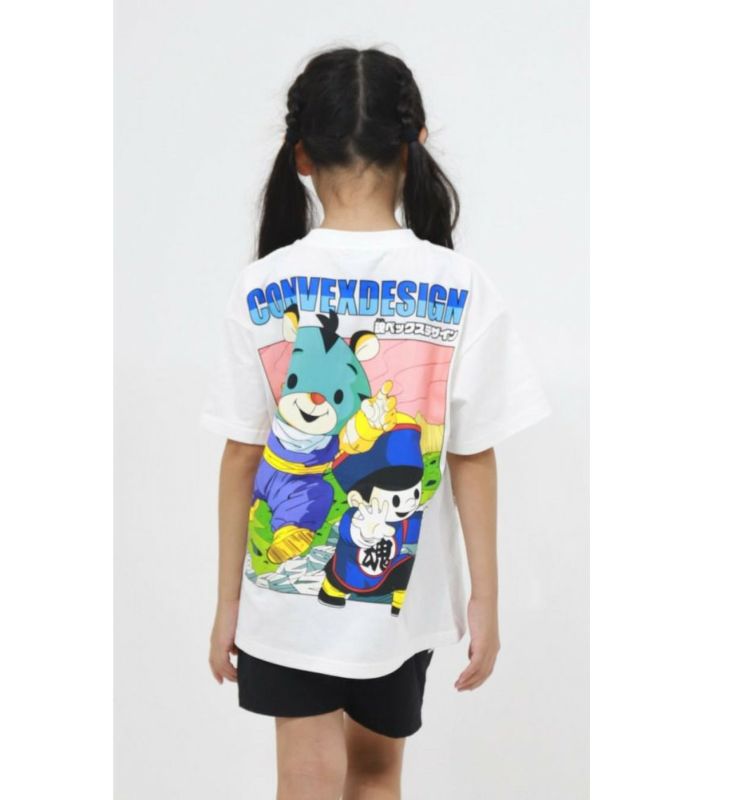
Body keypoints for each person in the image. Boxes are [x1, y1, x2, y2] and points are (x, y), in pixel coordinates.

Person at [202, 47, 549, 800]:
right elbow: (472, 455)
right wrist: (484, 599)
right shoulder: (461, 283)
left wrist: (228, 603)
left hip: (282, 609)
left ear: (301, 155)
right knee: (376, 777)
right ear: (413, 142)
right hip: (403, 602)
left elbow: (240, 455)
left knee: (304, 780)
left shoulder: (261, 285)